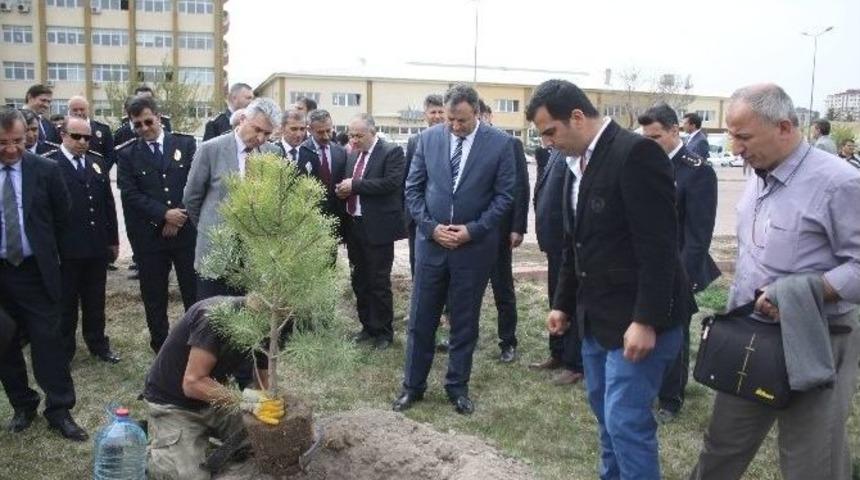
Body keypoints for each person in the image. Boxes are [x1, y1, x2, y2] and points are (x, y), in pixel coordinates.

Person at [689, 84, 860, 480]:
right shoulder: (759, 173)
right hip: (753, 336)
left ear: (784, 127)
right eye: (732, 135)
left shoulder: (839, 183)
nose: (735, 147)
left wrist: (802, 291)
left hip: (819, 339)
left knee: (811, 460)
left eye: (743, 136)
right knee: (721, 448)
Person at [529, 80, 694, 480]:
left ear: (578, 117)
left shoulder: (635, 154)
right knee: (607, 418)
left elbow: (659, 247)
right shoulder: (576, 163)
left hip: (638, 321)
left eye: (551, 131)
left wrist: (646, 320)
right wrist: (562, 303)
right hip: (596, 320)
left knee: (626, 422)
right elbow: (576, 241)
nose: (548, 143)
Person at [394, 84, 515, 415]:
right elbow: (413, 190)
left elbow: (505, 196)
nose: (455, 127)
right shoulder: (428, 140)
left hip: (472, 250)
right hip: (431, 246)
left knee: (464, 321)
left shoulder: (501, 144)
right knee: (421, 319)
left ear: (476, 113)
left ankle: (457, 386)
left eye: (462, 121)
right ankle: (412, 386)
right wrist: (431, 228)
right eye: (450, 120)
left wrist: (471, 231)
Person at [0, 107, 87, 441]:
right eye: (3, 142)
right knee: (3, 340)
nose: (10, 149)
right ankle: (23, 404)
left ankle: (59, 409)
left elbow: (62, 218)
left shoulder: (46, 170)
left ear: (29, 135)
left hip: (35, 271)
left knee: (48, 341)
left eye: (18, 141)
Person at [638, 104, 719, 422]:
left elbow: (698, 235)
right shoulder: (646, 164)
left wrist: (682, 278)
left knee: (674, 333)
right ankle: (647, 386)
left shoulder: (696, 170)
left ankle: (671, 399)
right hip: (645, 264)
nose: (649, 143)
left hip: (678, 268)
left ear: (675, 131)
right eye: (645, 137)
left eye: (655, 137)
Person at [144, 296, 284, 480]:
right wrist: (248, 402)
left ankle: (204, 438)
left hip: (212, 400)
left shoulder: (270, 321)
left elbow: (262, 372)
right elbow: (192, 384)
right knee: (187, 476)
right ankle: (159, 450)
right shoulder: (212, 317)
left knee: (269, 441)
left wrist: (266, 399)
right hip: (173, 404)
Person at [116, 96, 198, 353]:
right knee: (154, 297)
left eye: (148, 121)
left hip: (186, 234)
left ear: (159, 118)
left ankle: (196, 344)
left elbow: (195, 184)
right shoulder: (128, 154)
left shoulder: (185, 144)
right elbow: (129, 193)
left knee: (193, 294)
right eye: (137, 125)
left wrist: (179, 216)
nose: (144, 128)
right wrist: (164, 214)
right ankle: (162, 349)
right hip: (150, 237)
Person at [183, 98, 282, 300]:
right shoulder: (211, 149)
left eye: (267, 134)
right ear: (242, 120)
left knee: (249, 317)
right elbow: (192, 198)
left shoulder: (274, 153)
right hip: (215, 253)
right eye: (257, 130)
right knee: (211, 318)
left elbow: (275, 199)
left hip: (254, 256)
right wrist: (210, 227)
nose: (261, 138)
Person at [45, 117, 120, 363]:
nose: (82, 142)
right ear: (62, 135)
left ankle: (98, 344)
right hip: (66, 249)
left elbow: (108, 205)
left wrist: (112, 240)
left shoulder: (97, 163)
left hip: (96, 247)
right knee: (66, 303)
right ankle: (64, 350)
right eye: (76, 136)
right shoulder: (50, 165)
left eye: (87, 137)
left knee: (95, 300)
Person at [337, 114, 405, 350]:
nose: (353, 140)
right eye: (351, 135)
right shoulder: (352, 153)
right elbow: (350, 183)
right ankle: (367, 327)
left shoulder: (391, 152)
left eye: (358, 135)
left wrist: (355, 186)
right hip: (354, 225)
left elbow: (391, 183)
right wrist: (344, 191)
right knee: (359, 280)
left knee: (378, 281)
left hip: (378, 228)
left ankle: (384, 333)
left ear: (373, 132)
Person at [477, 99, 529, 363]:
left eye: (481, 115)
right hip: (470, 230)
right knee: (466, 289)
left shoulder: (509, 143)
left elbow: (521, 187)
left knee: (502, 288)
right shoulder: (463, 144)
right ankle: (466, 336)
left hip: (499, 232)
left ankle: (508, 341)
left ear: (488, 115)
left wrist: (518, 227)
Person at [530, 146, 584, 385]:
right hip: (554, 244)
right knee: (557, 299)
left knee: (569, 302)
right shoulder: (554, 151)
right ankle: (558, 353)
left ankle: (575, 363)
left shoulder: (574, 151)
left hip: (568, 244)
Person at [404, 94, 446, 275]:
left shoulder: (452, 138)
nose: (437, 116)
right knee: (418, 262)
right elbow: (408, 179)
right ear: (425, 115)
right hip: (418, 215)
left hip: (442, 213)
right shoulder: (415, 141)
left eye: (440, 111)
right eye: (433, 112)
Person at [306, 109, 348, 244]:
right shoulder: (302, 151)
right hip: (309, 219)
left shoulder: (340, 152)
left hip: (334, 220)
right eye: (320, 132)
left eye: (328, 130)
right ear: (310, 130)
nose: (326, 136)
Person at [67, 96, 116, 172]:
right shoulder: (62, 130)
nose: (79, 113)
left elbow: (110, 154)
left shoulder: (103, 129)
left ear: (88, 110)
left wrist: (101, 170)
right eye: (75, 110)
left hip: (97, 175)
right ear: (69, 111)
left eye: (82, 109)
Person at [274, 108, 320, 179]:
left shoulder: (312, 157)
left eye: (302, 129)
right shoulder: (272, 152)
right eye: (294, 129)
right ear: (282, 128)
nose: (299, 134)